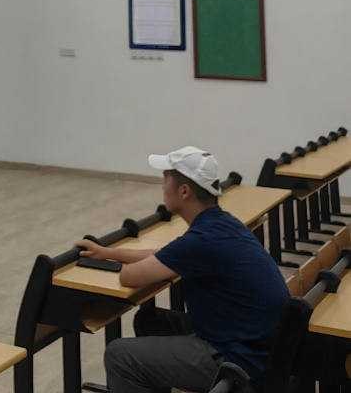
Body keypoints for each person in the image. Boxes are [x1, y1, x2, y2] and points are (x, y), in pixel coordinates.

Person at [73, 146, 288, 393]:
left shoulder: (202, 240)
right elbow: (163, 254)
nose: (163, 187)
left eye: (166, 179)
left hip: (239, 364)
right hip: (253, 345)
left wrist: (128, 265)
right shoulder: (221, 224)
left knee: (120, 355)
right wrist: (106, 253)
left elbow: (129, 277)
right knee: (149, 320)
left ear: (184, 191)